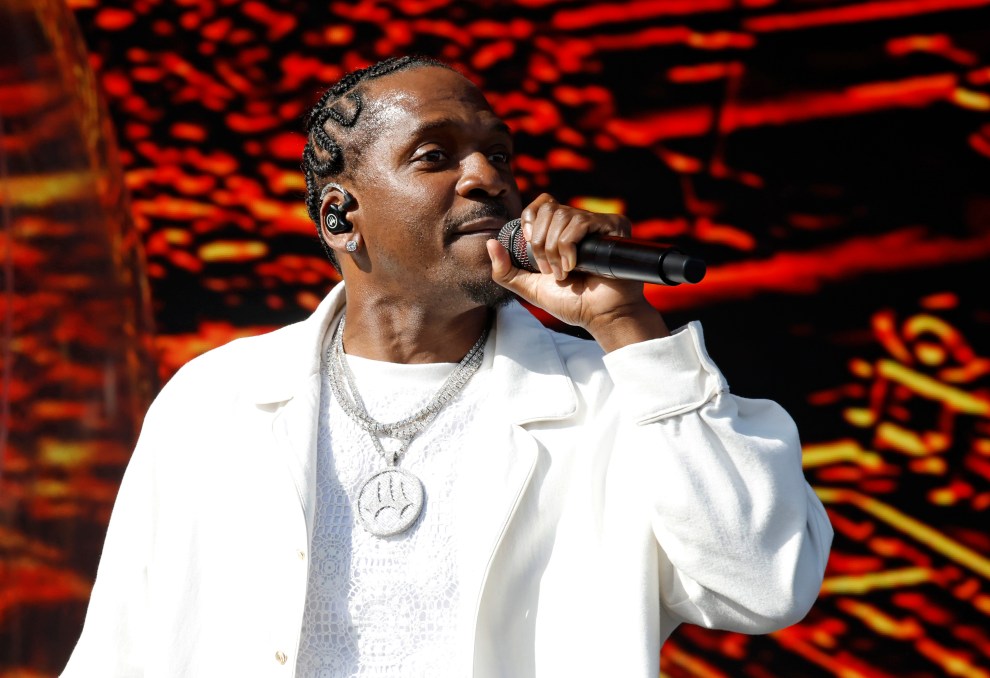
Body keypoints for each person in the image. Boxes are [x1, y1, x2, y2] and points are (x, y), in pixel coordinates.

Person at [62, 55, 832, 678]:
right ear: (340, 215)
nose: (487, 178)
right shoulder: (214, 402)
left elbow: (764, 584)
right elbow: (118, 652)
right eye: (435, 156)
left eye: (498, 155)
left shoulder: (614, 400)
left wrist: (627, 325)